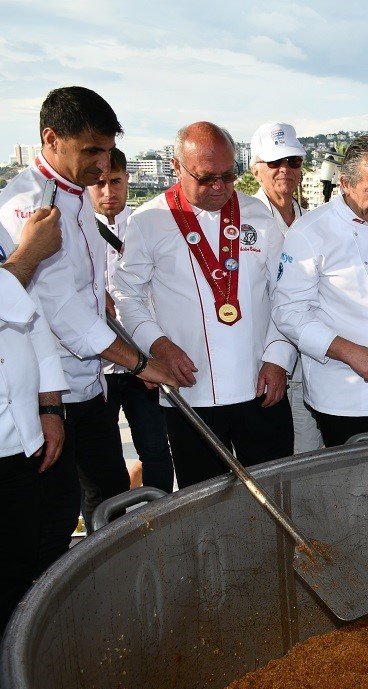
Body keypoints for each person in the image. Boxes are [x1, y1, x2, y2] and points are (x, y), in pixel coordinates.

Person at [0, 86, 176, 562]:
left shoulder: (78, 195)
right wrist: (140, 364)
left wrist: (103, 302)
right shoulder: (27, 205)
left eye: (108, 151)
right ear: (51, 139)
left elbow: (82, 293)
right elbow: (61, 312)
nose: (103, 165)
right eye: (91, 151)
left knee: (110, 497)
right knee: (53, 520)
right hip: (48, 396)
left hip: (90, 385)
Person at [111, 122, 296, 487]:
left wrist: (279, 357)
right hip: (189, 391)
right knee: (206, 501)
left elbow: (286, 292)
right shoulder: (148, 221)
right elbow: (126, 295)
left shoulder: (258, 215)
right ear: (176, 166)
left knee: (276, 491)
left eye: (228, 175)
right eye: (207, 178)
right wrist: (158, 346)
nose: (219, 187)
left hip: (261, 384)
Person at [272, 134, 368, 446]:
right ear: (344, 183)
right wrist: (348, 351)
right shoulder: (309, 233)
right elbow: (288, 313)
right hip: (344, 398)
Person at [0, 211, 66, 689]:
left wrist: (49, 406)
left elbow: (33, 320)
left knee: (19, 567)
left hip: (18, 437)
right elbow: (14, 285)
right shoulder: (21, 249)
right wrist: (25, 259)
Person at [88, 147, 174, 493]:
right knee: (100, 461)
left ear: (127, 180)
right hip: (97, 366)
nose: (108, 192)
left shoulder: (148, 225)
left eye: (116, 182)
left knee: (156, 451)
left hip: (143, 361)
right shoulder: (75, 229)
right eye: (99, 183)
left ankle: (160, 516)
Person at [248, 121, 322, 454]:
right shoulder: (242, 221)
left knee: (309, 453)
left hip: (308, 363)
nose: (285, 169)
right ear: (255, 169)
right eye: (275, 162)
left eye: (293, 161)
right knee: (269, 457)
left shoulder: (313, 222)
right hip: (261, 364)